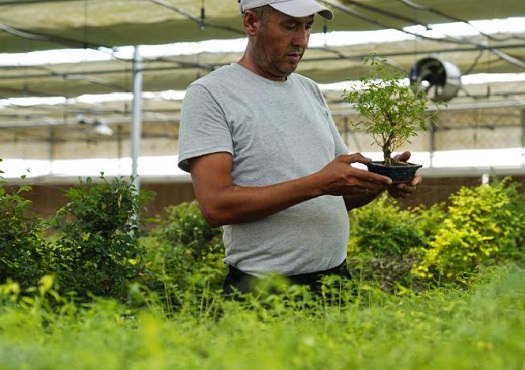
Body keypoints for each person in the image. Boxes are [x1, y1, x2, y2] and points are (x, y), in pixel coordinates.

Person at [177, 0, 421, 297]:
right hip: (265, 289)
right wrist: (318, 183)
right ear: (251, 22)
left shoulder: (309, 90)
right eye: (290, 26)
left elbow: (333, 196)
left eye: (308, 26)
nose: (301, 40)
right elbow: (216, 206)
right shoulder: (211, 94)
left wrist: (382, 181)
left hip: (335, 280)